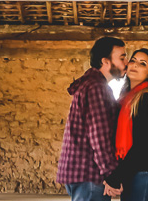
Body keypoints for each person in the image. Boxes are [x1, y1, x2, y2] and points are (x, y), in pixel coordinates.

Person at [58, 36, 128, 201]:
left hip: (83, 173)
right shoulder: (96, 87)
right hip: (90, 173)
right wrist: (111, 173)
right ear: (106, 61)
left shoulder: (92, 84)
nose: (126, 62)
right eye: (122, 57)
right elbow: (99, 135)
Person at [103, 48, 148, 201]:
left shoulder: (147, 99)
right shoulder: (128, 99)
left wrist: (115, 177)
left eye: (142, 64)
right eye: (133, 61)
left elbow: (143, 146)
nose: (135, 65)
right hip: (140, 170)